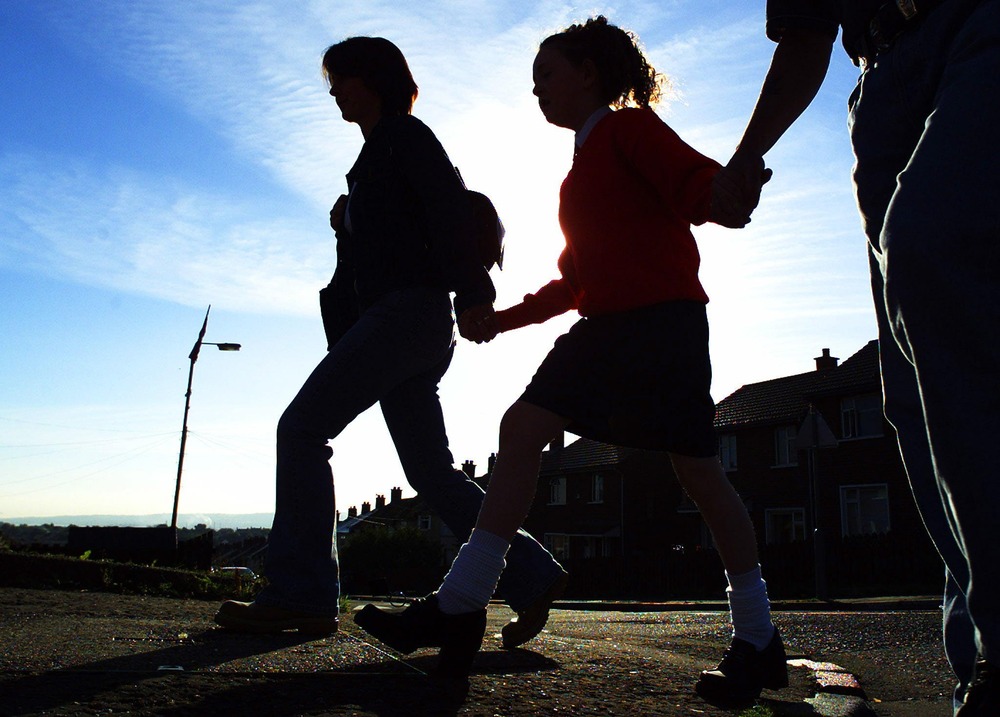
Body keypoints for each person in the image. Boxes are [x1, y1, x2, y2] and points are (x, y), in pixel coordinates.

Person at [354, 16, 785, 704]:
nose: (536, 90)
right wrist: (504, 318)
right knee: (524, 428)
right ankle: (460, 603)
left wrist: (726, 195)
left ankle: (758, 637)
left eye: (546, 74)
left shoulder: (628, 129)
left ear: (590, 72)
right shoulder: (578, 171)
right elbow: (573, 281)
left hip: (663, 325)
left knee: (700, 476)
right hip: (608, 326)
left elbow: (697, 186)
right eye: (532, 81)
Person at [214, 36, 568, 649]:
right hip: (408, 324)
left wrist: (473, 292)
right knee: (430, 471)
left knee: (301, 430)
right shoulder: (376, 157)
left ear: (376, 78)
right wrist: (348, 222)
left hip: (407, 316)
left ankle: (299, 591)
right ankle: (532, 573)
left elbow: (448, 210)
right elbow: (377, 254)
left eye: (343, 78)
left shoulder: (404, 136)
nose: (334, 91)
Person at [718, 1, 1000, 714]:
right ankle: (976, 660)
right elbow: (807, 30)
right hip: (882, 82)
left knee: (930, 251)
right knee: (913, 390)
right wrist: (748, 155)